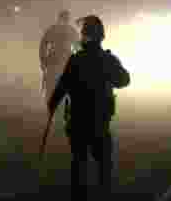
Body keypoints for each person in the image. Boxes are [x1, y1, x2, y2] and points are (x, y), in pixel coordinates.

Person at [48, 14, 130, 201]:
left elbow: (62, 87)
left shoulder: (75, 60)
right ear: (101, 36)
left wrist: (51, 106)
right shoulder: (107, 59)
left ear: (84, 36)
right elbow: (124, 80)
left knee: (79, 163)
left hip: (77, 122)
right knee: (104, 165)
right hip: (99, 122)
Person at [39, 10, 80, 100]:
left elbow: (43, 45)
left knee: (52, 85)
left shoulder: (53, 29)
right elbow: (78, 48)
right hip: (63, 60)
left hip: (57, 59)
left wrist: (43, 60)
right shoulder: (71, 30)